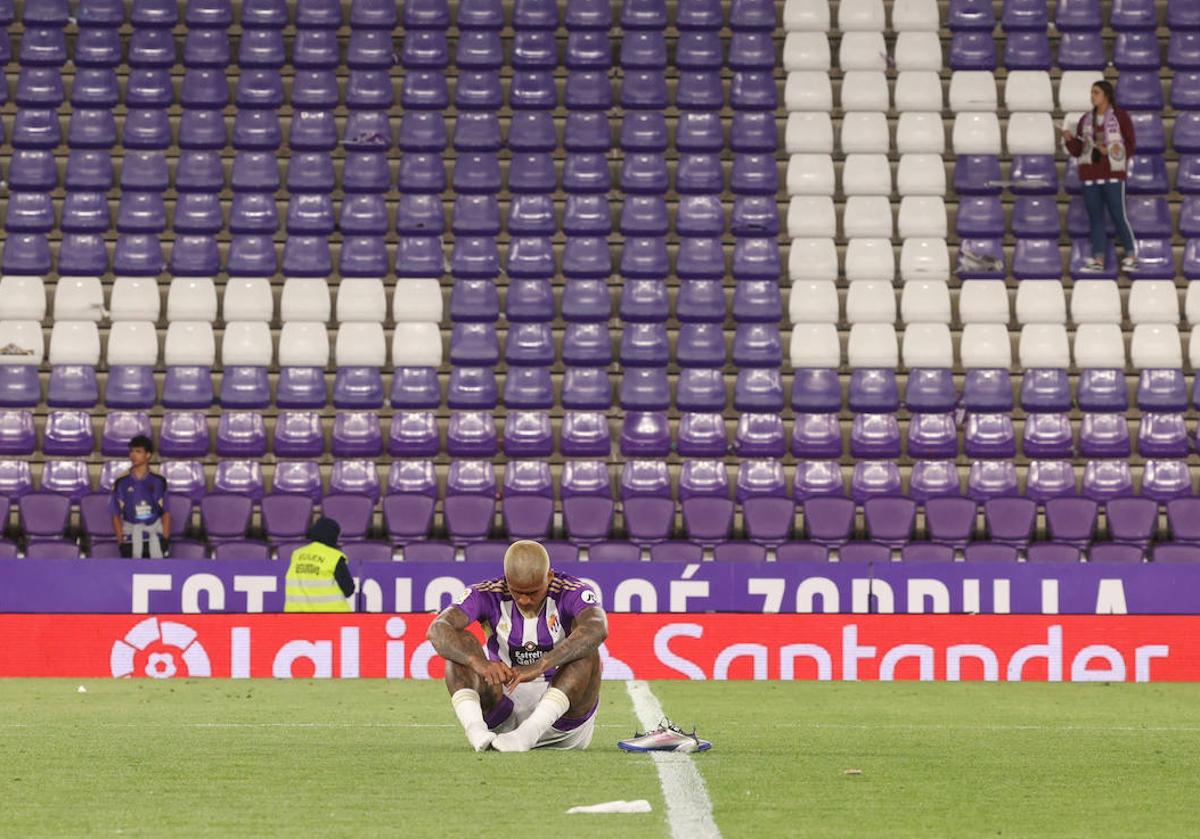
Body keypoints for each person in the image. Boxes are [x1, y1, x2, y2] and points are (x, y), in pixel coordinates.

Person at [427, 540, 607, 752]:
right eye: (516, 591)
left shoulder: (572, 591)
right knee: (459, 646)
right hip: (503, 706)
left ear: (548, 577)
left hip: (561, 718)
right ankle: (476, 730)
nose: (524, 600)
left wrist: (541, 664)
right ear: (506, 580)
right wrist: (479, 663)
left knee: (587, 649)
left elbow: (597, 628)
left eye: (532, 592)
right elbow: (437, 629)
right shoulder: (485, 593)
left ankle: (529, 732)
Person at [1063, 80, 1139, 273]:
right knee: (1095, 218)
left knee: (1118, 215)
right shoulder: (1085, 119)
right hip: (1090, 176)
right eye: (1091, 93)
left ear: (1106, 95)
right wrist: (1070, 141)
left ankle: (1131, 255)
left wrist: (1111, 152)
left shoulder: (1121, 117)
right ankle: (1098, 260)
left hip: (1113, 175)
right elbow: (1079, 150)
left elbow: (1130, 145)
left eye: (1096, 92)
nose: (1092, 96)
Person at [109, 435, 170, 558]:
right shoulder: (121, 481)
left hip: (154, 537)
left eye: (138, 451)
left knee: (156, 575)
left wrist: (165, 538)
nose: (133, 455)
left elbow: (166, 513)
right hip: (130, 538)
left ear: (148, 455)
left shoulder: (159, 481)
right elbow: (115, 514)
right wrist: (121, 540)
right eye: (131, 451)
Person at [283, 517, 356, 612]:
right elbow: (348, 590)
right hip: (329, 619)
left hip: (295, 618)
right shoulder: (334, 557)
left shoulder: (297, 555)